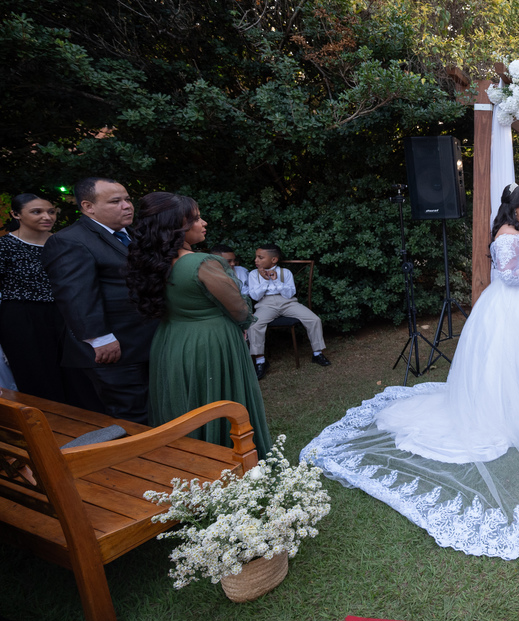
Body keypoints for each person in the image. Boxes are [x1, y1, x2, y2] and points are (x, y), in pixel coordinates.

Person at [300, 184, 519, 559]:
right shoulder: (504, 236)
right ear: (514, 207)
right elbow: (507, 276)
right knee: (514, 361)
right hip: (514, 307)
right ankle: (518, 407)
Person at [125, 193, 272, 458]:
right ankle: (229, 459)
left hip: (171, 340)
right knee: (218, 400)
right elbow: (238, 307)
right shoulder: (201, 263)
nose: (203, 223)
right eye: (195, 219)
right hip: (211, 342)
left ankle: (188, 462)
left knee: (186, 402)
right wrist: (243, 323)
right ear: (175, 226)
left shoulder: (151, 263)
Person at [41, 178, 159, 423]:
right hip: (112, 349)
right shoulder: (69, 240)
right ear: (88, 207)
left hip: (147, 342)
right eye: (115, 201)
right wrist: (100, 338)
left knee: (157, 410)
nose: (127, 206)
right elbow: (75, 296)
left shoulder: (132, 234)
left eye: (127, 199)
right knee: (133, 416)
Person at [0, 193, 98, 408]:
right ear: (16, 214)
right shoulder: (5, 246)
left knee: (78, 374)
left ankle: (86, 422)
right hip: (22, 317)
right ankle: (46, 423)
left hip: (65, 314)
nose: (47, 217)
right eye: (37, 212)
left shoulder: (64, 242)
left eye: (51, 212)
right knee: (37, 373)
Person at [246, 244, 330, 379]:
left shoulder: (285, 272)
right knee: (254, 325)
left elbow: (290, 293)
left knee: (314, 319)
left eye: (260, 258)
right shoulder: (253, 274)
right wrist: (266, 281)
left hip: (288, 302)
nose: (256, 260)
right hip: (266, 304)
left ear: (274, 259)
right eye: (256, 257)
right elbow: (255, 296)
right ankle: (260, 361)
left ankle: (317, 353)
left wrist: (276, 281)